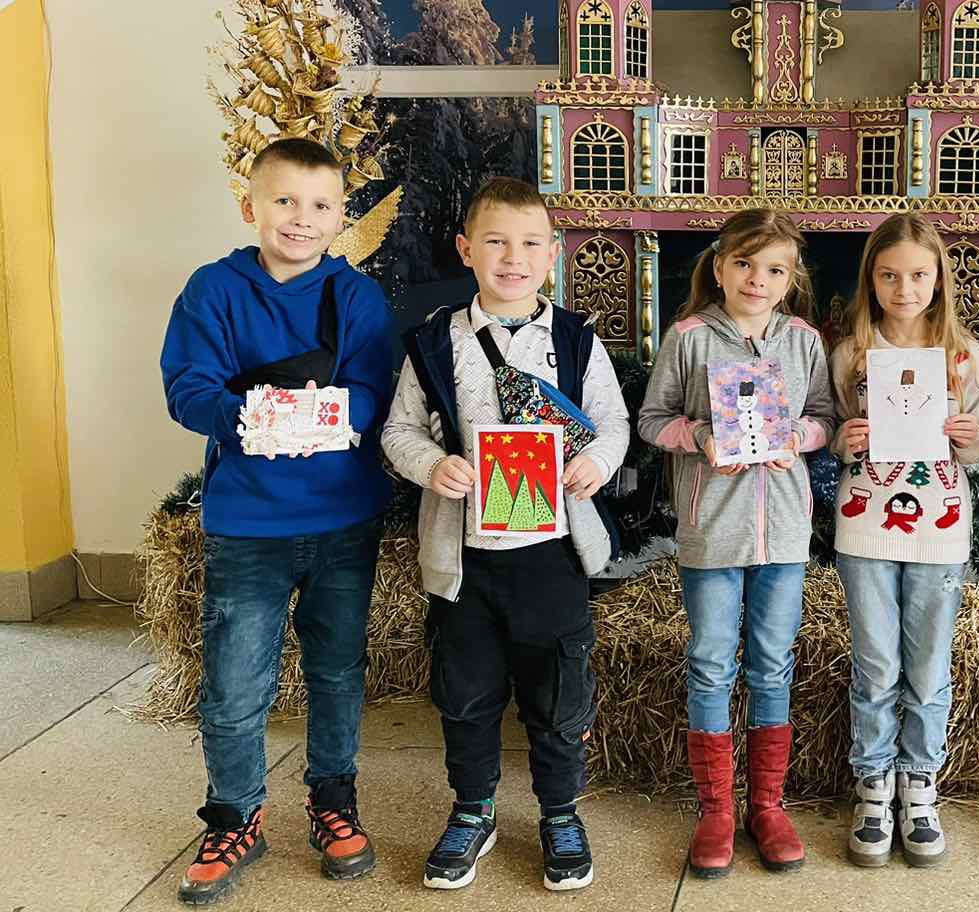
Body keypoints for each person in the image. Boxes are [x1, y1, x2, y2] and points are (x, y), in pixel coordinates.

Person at [160, 137, 395, 905]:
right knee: (234, 683)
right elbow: (188, 387)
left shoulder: (358, 299)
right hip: (247, 525)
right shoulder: (213, 290)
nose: (302, 218)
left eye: (321, 205)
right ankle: (234, 817)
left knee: (336, 670)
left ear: (341, 217)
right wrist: (252, 419)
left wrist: (333, 415)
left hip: (343, 519)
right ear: (250, 206)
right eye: (285, 200)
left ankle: (334, 801)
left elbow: (375, 389)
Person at [381, 177, 629, 893]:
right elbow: (397, 430)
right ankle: (473, 809)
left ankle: (560, 813)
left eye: (529, 244)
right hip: (465, 559)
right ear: (467, 250)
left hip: (552, 556)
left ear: (553, 254)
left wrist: (595, 463)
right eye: (495, 242)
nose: (512, 258)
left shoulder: (577, 342)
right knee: (466, 693)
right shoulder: (436, 343)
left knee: (559, 695)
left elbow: (612, 422)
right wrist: (434, 466)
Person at [637, 209, 836, 879]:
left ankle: (767, 806)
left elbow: (825, 419)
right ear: (719, 267)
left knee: (773, 663)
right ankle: (717, 809)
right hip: (712, 531)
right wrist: (701, 438)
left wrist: (796, 438)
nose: (758, 279)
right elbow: (652, 420)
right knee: (711, 662)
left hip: (783, 532)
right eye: (745, 264)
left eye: (774, 269)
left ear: (791, 278)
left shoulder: (803, 341)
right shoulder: (690, 338)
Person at [827, 213, 979, 868]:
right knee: (876, 666)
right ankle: (873, 786)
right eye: (890, 276)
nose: (904, 289)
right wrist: (846, 440)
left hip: (940, 531)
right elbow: (833, 432)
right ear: (871, 279)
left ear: (939, 279)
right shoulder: (851, 354)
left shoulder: (963, 357)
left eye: (918, 275)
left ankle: (919, 785)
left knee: (927, 669)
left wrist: (970, 438)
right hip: (866, 527)